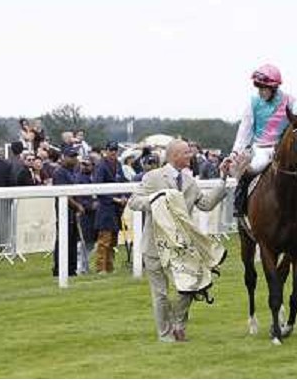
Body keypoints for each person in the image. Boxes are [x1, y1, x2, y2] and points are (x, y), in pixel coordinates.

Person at [128, 139, 229, 343]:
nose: (190, 156)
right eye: (186, 153)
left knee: (191, 286)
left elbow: (206, 205)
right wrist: (158, 201)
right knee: (161, 293)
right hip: (155, 245)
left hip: (182, 247)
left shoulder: (190, 182)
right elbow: (134, 201)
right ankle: (165, 335)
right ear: (174, 155)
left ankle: (178, 324)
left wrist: (223, 179)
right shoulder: (153, 177)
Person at [226, 63, 294, 217]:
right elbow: (245, 130)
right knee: (248, 171)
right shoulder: (253, 102)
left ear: (274, 87)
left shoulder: (291, 102)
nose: (260, 91)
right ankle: (240, 205)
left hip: (283, 149)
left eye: (264, 88)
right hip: (261, 150)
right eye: (259, 87)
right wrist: (236, 152)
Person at [93, 141, 127, 274]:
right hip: (105, 208)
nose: (113, 152)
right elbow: (98, 187)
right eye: (111, 150)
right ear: (106, 150)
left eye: (115, 150)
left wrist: (124, 196)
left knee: (113, 241)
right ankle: (100, 268)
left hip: (116, 209)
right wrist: (114, 199)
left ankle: (109, 267)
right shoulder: (101, 166)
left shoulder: (118, 164)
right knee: (104, 240)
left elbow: (123, 181)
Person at [52, 147, 84, 278]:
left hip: (73, 212)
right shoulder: (59, 173)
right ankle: (59, 269)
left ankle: (72, 269)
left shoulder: (74, 171)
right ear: (63, 157)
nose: (74, 159)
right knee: (63, 240)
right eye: (71, 156)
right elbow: (64, 194)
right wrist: (78, 206)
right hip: (64, 210)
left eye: (75, 156)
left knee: (72, 241)